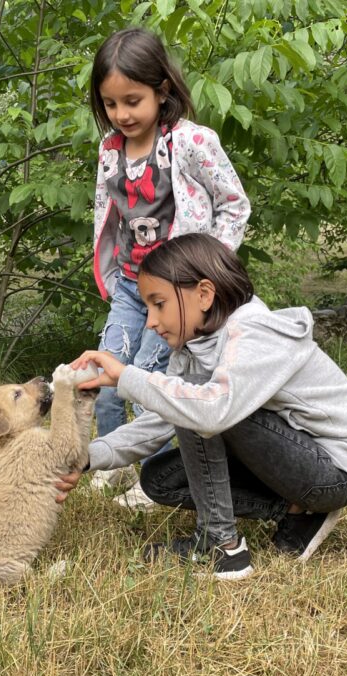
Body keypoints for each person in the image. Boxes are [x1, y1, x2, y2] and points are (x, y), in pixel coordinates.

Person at [60, 234, 347, 581]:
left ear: (205, 295)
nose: (150, 320)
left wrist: (127, 377)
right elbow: (159, 422)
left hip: (333, 473)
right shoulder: (193, 348)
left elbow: (211, 413)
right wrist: (85, 457)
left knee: (199, 406)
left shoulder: (254, 331)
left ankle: (222, 547)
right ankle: (298, 512)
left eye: (158, 303)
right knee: (159, 480)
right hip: (291, 461)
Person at [86, 27, 251, 510]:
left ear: (162, 89)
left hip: (174, 293)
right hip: (129, 286)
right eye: (111, 104)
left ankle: (152, 481)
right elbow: (108, 213)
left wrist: (208, 267)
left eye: (133, 100)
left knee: (154, 384)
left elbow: (234, 204)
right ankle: (115, 464)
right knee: (108, 375)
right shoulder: (110, 150)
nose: (122, 114)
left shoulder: (193, 141)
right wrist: (110, 272)